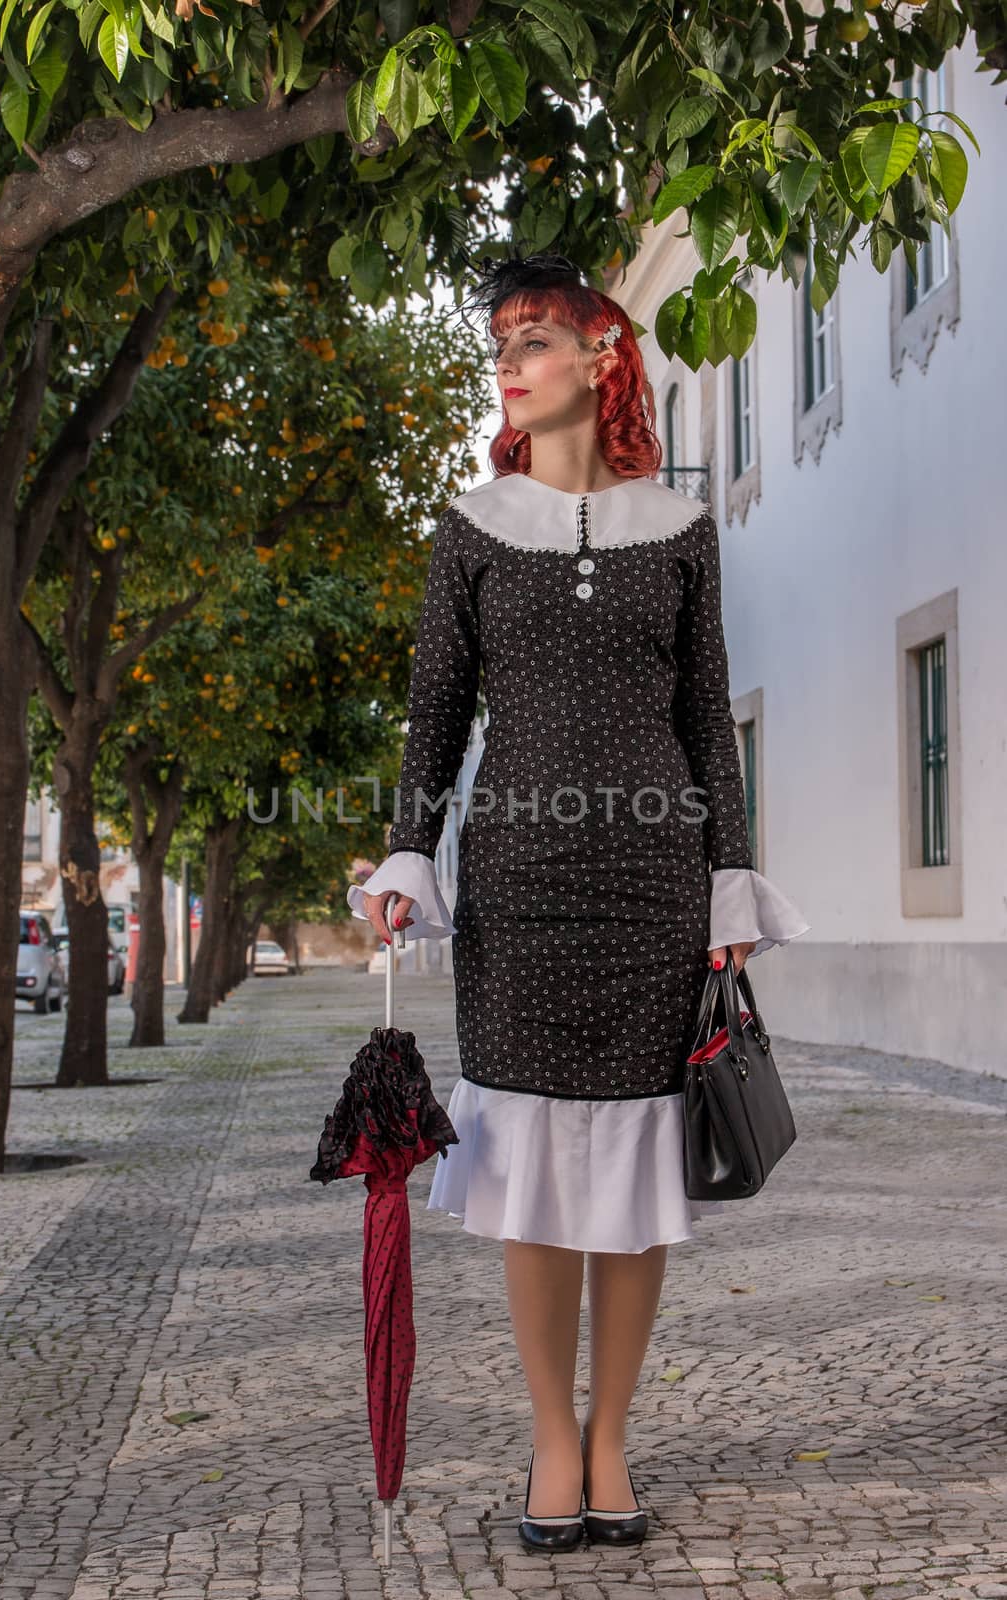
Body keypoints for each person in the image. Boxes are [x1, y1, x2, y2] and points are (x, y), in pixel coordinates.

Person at [347, 252, 810, 1552]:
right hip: (522, 888)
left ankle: (615, 1440)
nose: (512, 359)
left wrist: (730, 877)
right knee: (540, 1177)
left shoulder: (682, 530)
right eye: (501, 340)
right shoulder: (472, 530)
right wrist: (408, 854)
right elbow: (435, 715)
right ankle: (557, 1441)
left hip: (656, 892)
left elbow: (706, 720)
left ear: (605, 355)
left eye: (537, 336)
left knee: (633, 1173)